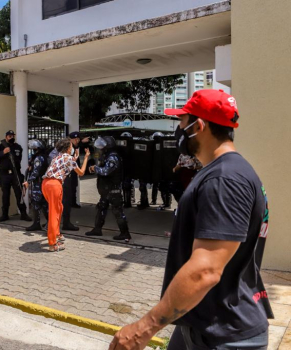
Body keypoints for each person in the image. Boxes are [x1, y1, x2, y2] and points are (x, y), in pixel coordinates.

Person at [109, 90, 273, 350]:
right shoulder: (226, 173)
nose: (178, 130)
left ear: (199, 126)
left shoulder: (225, 180)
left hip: (224, 335)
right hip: (203, 321)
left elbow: (205, 270)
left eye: (182, 123)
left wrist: (145, 327)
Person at [42, 138, 90, 252]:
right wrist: (86, 157)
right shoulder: (68, 158)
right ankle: (53, 243)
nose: (72, 147)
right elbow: (81, 172)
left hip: (46, 184)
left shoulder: (57, 157)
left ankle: (57, 234)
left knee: (59, 209)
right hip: (54, 185)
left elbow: (67, 163)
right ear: (68, 148)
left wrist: (75, 158)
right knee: (54, 213)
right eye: (71, 146)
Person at [85, 136, 131, 242]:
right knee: (101, 208)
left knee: (117, 212)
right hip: (106, 190)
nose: (101, 148)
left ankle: (125, 233)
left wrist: (95, 168)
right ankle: (97, 229)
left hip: (113, 190)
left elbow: (106, 171)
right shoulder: (107, 155)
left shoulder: (113, 158)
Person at [0, 130, 31, 222]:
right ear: (6, 137)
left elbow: (18, 159)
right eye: (9, 136)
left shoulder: (18, 147)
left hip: (15, 173)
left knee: (19, 194)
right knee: (5, 195)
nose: (11, 137)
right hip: (4, 175)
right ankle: (4, 215)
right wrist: (3, 152)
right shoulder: (1, 146)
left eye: (12, 136)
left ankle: (23, 214)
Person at [23, 139, 49, 231]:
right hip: (41, 183)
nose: (33, 149)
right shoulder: (42, 157)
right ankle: (40, 223)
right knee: (40, 204)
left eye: (34, 148)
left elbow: (36, 172)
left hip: (39, 184)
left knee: (39, 203)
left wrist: (28, 181)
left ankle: (44, 223)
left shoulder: (39, 158)